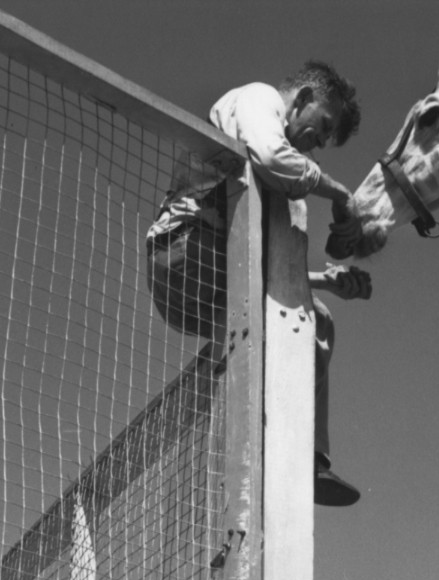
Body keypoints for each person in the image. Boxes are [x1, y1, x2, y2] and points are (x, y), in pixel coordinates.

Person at [145, 60, 371, 506]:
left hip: (206, 288)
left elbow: (262, 269)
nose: (319, 143)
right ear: (303, 97)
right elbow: (271, 157)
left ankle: (303, 460)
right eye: (323, 127)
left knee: (314, 322)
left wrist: (323, 280)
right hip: (184, 251)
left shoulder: (271, 174)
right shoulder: (258, 99)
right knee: (294, 319)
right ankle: (275, 447)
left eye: (327, 141)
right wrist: (341, 194)